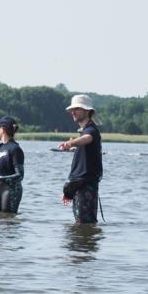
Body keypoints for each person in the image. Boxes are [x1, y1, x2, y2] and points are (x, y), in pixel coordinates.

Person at [59, 94, 103, 224]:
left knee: (84, 223)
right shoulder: (83, 131)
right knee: (80, 225)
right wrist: (69, 191)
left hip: (86, 187)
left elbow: (87, 138)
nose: (73, 112)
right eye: (72, 109)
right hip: (79, 186)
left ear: (87, 111)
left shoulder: (91, 130)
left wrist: (71, 143)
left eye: (77, 109)